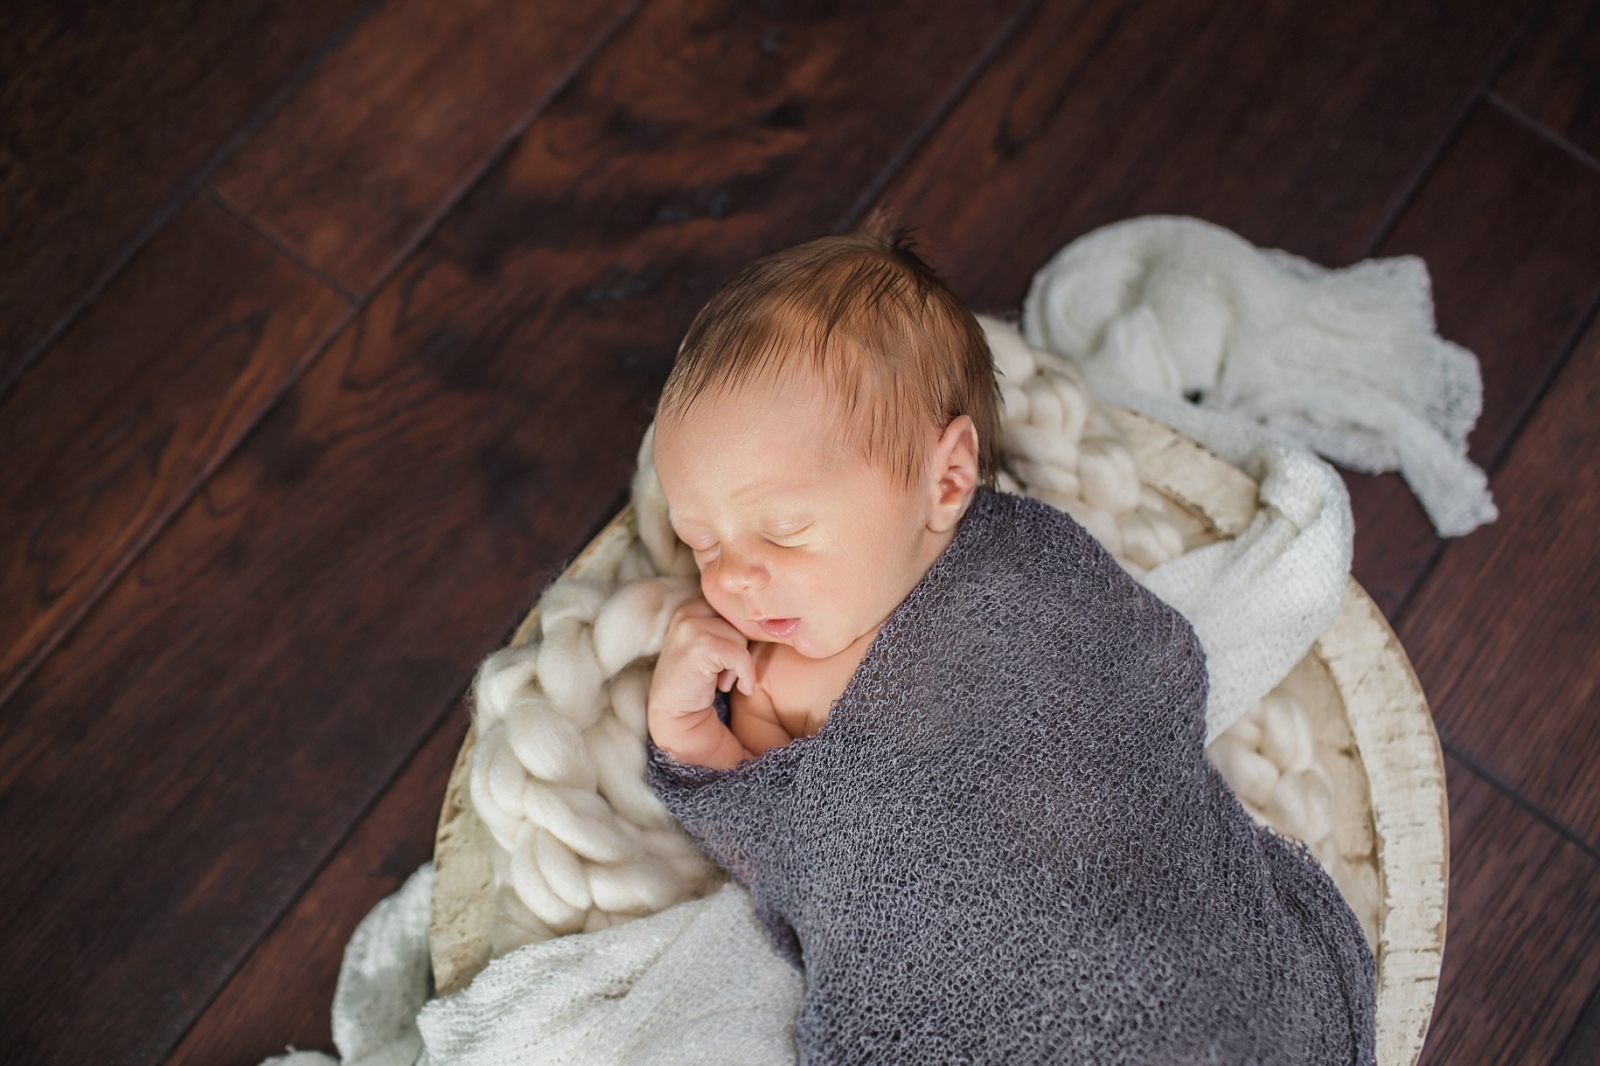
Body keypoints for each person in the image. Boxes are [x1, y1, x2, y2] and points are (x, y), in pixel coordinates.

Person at [644, 224, 1376, 1064]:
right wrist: (685, 731)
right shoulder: (769, 676)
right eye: (702, 543)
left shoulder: (1031, 567)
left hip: (1155, 940)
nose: (735, 577)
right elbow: (780, 838)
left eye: (783, 529)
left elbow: (1142, 678)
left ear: (946, 481)